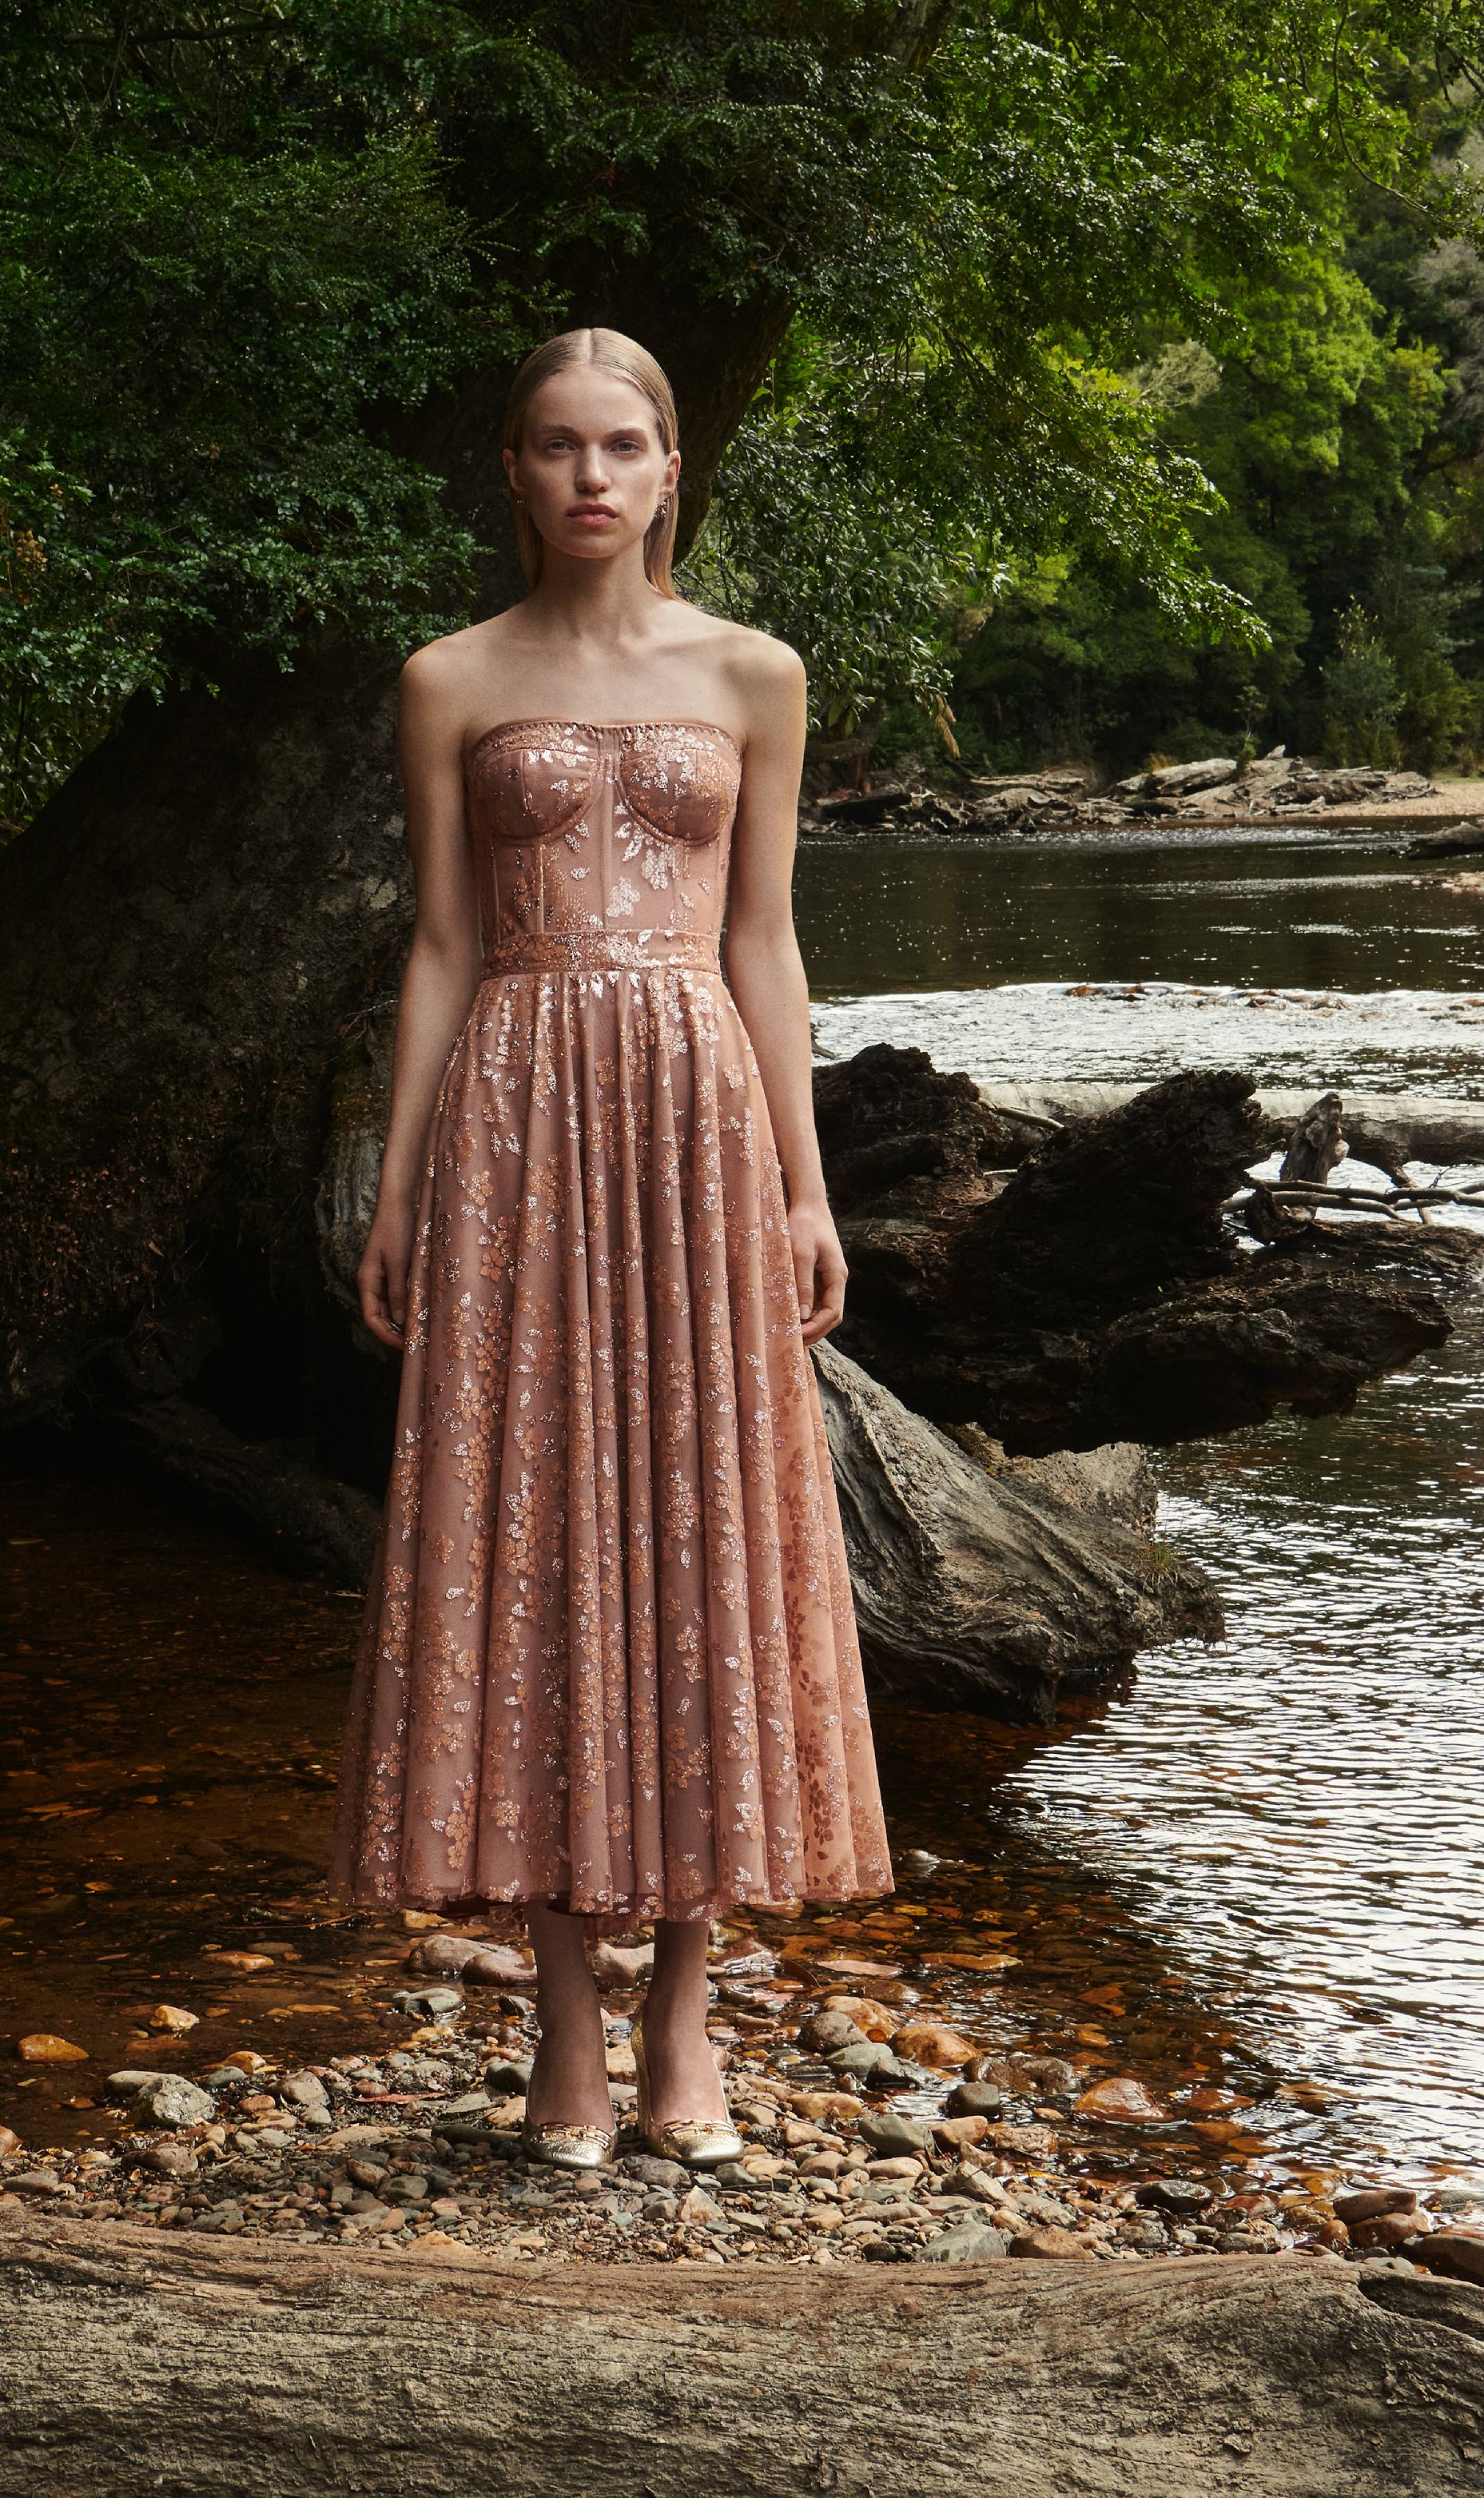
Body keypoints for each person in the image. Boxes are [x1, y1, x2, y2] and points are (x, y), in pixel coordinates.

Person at [331, 326, 889, 2171]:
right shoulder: (447, 677)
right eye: (557, 446)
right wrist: (399, 1187)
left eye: (623, 446)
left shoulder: (751, 671)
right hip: (513, 1122)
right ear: (510, 470)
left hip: (693, 1122)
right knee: (536, 1531)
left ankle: (685, 2015)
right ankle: (561, 2023)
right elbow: (431, 945)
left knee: (701, 1534)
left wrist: (806, 1191)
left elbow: (766, 945)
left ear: (669, 470)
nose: (590, 476)